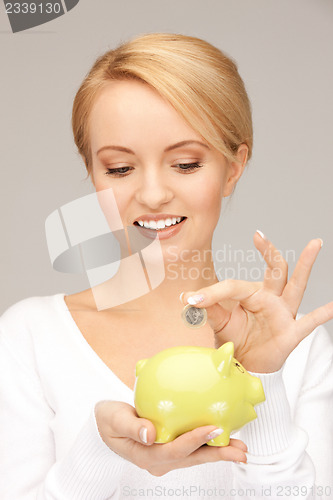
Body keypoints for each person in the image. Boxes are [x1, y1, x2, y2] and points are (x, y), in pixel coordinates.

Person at [0, 32, 332, 500]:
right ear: (92, 171)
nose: (153, 194)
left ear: (233, 169)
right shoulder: (28, 339)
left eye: (186, 163)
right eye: (119, 169)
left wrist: (262, 379)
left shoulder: (297, 350)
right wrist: (102, 449)